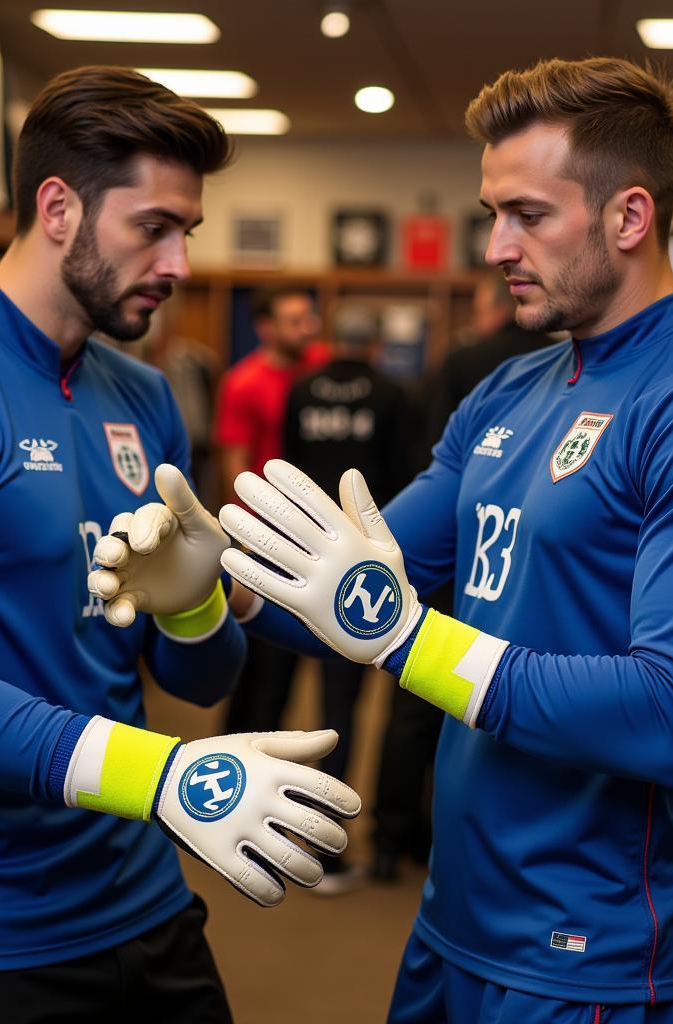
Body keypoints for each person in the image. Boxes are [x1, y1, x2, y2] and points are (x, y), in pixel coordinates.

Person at [212, 58, 673, 1022]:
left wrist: (411, 641)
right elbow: (347, 596)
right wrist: (213, 582)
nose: (496, 246)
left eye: (528, 215)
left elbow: (672, 715)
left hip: (597, 956)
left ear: (628, 217)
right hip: (456, 919)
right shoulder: (507, 392)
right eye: (492, 213)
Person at [0, 66, 359, 1024]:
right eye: (151, 227)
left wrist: (196, 605)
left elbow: (194, 683)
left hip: (141, 903)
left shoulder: (143, 395)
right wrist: (154, 775)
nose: (180, 265)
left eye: (185, 232)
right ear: (58, 207)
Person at [370, 273, 555, 882]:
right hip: (514, 573)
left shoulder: (467, 364)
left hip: (459, 559)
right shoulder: (518, 373)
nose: (501, 248)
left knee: (421, 698)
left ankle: (393, 838)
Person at [283, 301, 411, 892]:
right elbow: (406, 480)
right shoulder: (392, 395)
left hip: (301, 560)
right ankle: (336, 844)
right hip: (366, 572)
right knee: (366, 708)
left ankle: (302, 834)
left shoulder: (302, 388)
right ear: (376, 345)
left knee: (311, 705)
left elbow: (286, 467)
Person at [214, 288, 328, 736]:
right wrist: (246, 534)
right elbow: (233, 461)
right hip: (268, 535)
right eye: (294, 319)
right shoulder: (244, 382)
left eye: (309, 317)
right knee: (265, 667)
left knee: (316, 653)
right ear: (265, 327)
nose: (307, 328)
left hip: (317, 533)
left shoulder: (323, 366)